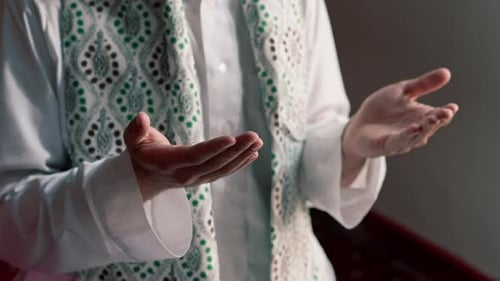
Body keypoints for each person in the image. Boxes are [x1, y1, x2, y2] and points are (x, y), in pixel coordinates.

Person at [0, 0, 458, 280]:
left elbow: (306, 144)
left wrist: (348, 144)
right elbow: (10, 217)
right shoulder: (38, 7)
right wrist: (131, 185)